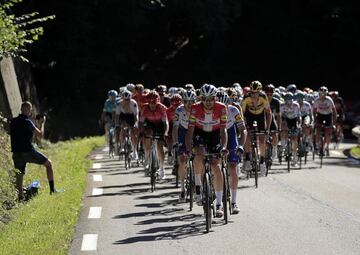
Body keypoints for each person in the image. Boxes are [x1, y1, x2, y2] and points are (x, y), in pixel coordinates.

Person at [185, 84, 228, 217]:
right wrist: (188, 148)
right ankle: (198, 186)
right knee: (199, 154)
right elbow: (190, 129)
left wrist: (224, 146)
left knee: (216, 164)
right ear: (201, 99)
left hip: (215, 134)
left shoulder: (222, 108)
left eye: (211, 99)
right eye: (205, 99)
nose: (208, 102)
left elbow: (223, 129)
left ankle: (219, 204)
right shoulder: (194, 108)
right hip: (200, 132)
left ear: (215, 98)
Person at [10, 101, 57, 201]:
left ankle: (20, 197)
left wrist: (32, 122)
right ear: (28, 109)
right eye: (30, 109)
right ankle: (52, 190)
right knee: (48, 164)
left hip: (16, 153)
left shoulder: (13, 121)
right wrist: (42, 123)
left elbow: (19, 130)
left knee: (20, 174)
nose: (31, 111)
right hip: (28, 152)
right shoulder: (28, 122)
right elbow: (40, 136)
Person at [241, 81, 272, 176]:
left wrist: (268, 129)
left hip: (260, 116)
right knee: (247, 135)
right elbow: (242, 113)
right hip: (249, 115)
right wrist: (243, 126)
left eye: (256, 93)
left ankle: (262, 161)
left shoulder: (263, 97)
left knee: (262, 139)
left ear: (260, 92)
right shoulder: (246, 97)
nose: (254, 95)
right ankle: (247, 158)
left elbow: (268, 113)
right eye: (253, 93)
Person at [172, 90, 197, 202]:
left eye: (191, 101)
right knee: (181, 160)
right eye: (186, 101)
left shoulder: (198, 109)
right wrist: (175, 141)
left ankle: (198, 185)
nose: (188, 104)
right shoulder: (179, 110)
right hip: (183, 131)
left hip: (195, 131)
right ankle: (182, 189)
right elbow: (175, 128)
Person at [139, 90, 169, 179]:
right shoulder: (144, 107)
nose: (152, 105)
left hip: (160, 125)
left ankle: (162, 169)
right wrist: (142, 131)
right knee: (147, 136)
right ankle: (147, 158)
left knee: (160, 146)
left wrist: (166, 132)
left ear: (158, 101)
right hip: (149, 124)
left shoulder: (162, 108)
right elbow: (141, 122)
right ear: (148, 102)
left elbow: (166, 123)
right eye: (150, 102)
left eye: (154, 102)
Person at [312, 86, 337, 155]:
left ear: (326, 94)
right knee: (318, 131)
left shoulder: (329, 100)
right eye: (321, 94)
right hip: (320, 115)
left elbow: (334, 112)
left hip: (328, 115)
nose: (323, 96)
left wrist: (334, 123)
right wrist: (314, 120)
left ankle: (327, 147)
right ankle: (317, 145)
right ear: (319, 94)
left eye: (324, 95)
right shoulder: (316, 100)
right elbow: (314, 111)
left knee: (328, 133)